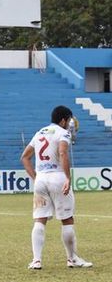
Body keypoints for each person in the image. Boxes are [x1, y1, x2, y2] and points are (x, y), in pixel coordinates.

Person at [20, 105, 92, 270]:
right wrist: (67, 177)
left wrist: (36, 177)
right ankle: (72, 259)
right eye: (68, 121)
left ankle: (36, 260)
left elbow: (24, 157)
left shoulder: (40, 132)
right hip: (58, 178)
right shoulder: (63, 133)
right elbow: (62, 152)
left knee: (40, 219)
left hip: (41, 180)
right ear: (63, 120)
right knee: (67, 219)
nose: (69, 125)